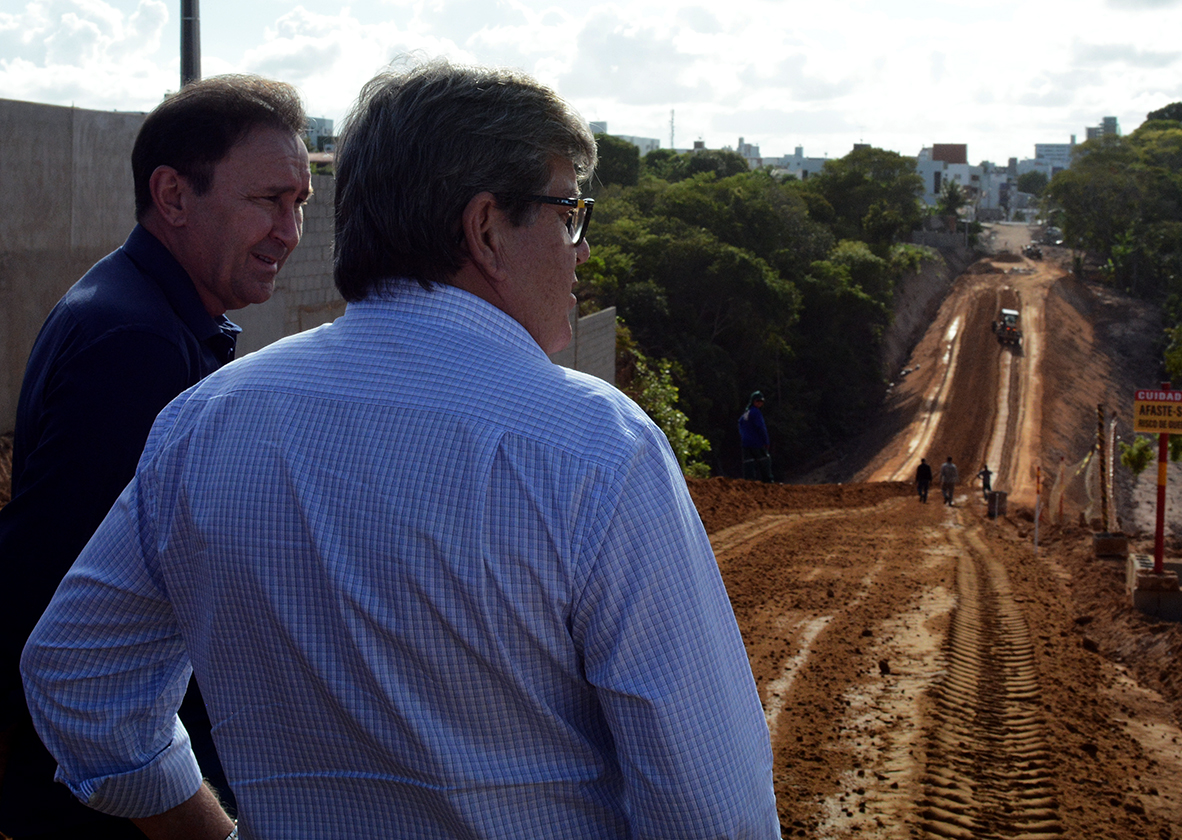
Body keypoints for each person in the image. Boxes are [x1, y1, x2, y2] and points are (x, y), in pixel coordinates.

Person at [21, 58, 779, 840]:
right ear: (486, 229)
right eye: (568, 213)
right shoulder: (595, 447)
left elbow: (78, 680)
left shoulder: (203, 422)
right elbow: (715, 812)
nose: (580, 249)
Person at [0, 75, 310, 839]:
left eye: (299, 203)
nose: (289, 231)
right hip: (116, 800)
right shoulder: (135, 343)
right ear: (173, 195)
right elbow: (73, 611)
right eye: (268, 200)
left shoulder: (137, 308)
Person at [738, 390, 773, 482]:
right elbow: (761, 427)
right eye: (758, 401)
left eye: (761, 401)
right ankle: (768, 481)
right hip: (756, 442)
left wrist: (744, 437)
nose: (759, 403)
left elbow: (740, 424)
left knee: (748, 462)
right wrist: (766, 441)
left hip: (746, 443)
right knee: (765, 460)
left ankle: (749, 482)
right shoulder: (756, 412)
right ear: (753, 401)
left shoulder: (746, 413)